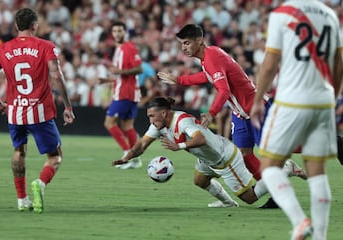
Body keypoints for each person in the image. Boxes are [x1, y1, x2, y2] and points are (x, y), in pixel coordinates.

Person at [157, 24, 306, 208]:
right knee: (244, 154)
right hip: (240, 113)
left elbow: (224, 90)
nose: (183, 48)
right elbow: (206, 77)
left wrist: (212, 113)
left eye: (187, 43)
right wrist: (179, 80)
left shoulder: (212, 57)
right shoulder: (208, 58)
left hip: (255, 108)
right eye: (182, 44)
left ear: (199, 40)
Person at [250, 1, 343, 239]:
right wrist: (330, 96)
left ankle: (300, 220)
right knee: (318, 171)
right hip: (323, 100)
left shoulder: (282, 14)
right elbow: (338, 64)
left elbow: (270, 63)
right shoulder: (330, 14)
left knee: (269, 166)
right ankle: (321, 236)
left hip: (292, 99)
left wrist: (258, 99)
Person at [0, 8, 75, 213]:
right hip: (40, 111)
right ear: (34, 25)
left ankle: (21, 199)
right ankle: (41, 183)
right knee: (55, 156)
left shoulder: (2, 49)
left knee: (19, 151)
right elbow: (56, 76)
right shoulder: (45, 46)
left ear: (17, 26)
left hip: (15, 112)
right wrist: (68, 106)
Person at [112, 97, 271, 208]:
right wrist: (128, 157)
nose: (150, 121)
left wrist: (178, 146)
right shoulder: (158, 126)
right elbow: (142, 144)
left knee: (250, 198)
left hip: (225, 157)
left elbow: (200, 138)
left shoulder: (182, 121)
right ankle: (228, 203)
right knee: (200, 180)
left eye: (152, 116)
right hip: (207, 159)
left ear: (164, 113)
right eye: (149, 117)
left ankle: (285, 170)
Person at [100, 21, 143, 169]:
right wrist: (107, 79)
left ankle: (127, 154)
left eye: (120, 31)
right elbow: (120, 74)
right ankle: (135, 160)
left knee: (109, 123)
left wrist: (120, 72)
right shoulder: (118, 50)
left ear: (125, 32)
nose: (117, 33)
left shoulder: (129, 48)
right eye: (115, 31)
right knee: (127, 126)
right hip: (125, 91)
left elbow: (139, 69)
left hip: (126, 92)